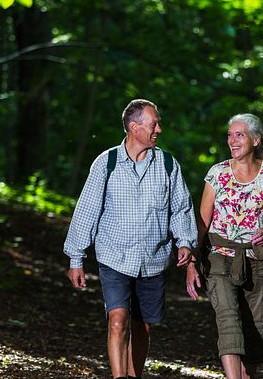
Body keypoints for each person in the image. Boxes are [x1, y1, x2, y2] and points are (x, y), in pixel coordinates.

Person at [64, 98, 198, 379]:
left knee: (142, 327)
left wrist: (184, 242)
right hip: (114, 256)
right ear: (134, 128)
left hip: (153, 259)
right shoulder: (106, 163)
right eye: (154, 124)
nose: (159, 129)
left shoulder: (168, 165)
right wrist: (76, 258)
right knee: (117, 321)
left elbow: (181, 208)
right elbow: (87, 210)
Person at [186, 113, 263, 379]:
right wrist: (193, 260)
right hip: (219, 257)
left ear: (255, 140)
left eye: (239, 134)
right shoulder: (216, 173)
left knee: (255, 335)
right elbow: (203, 221)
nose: (232, 140)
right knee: (228, 322)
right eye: (230, 135)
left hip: (258, 260)